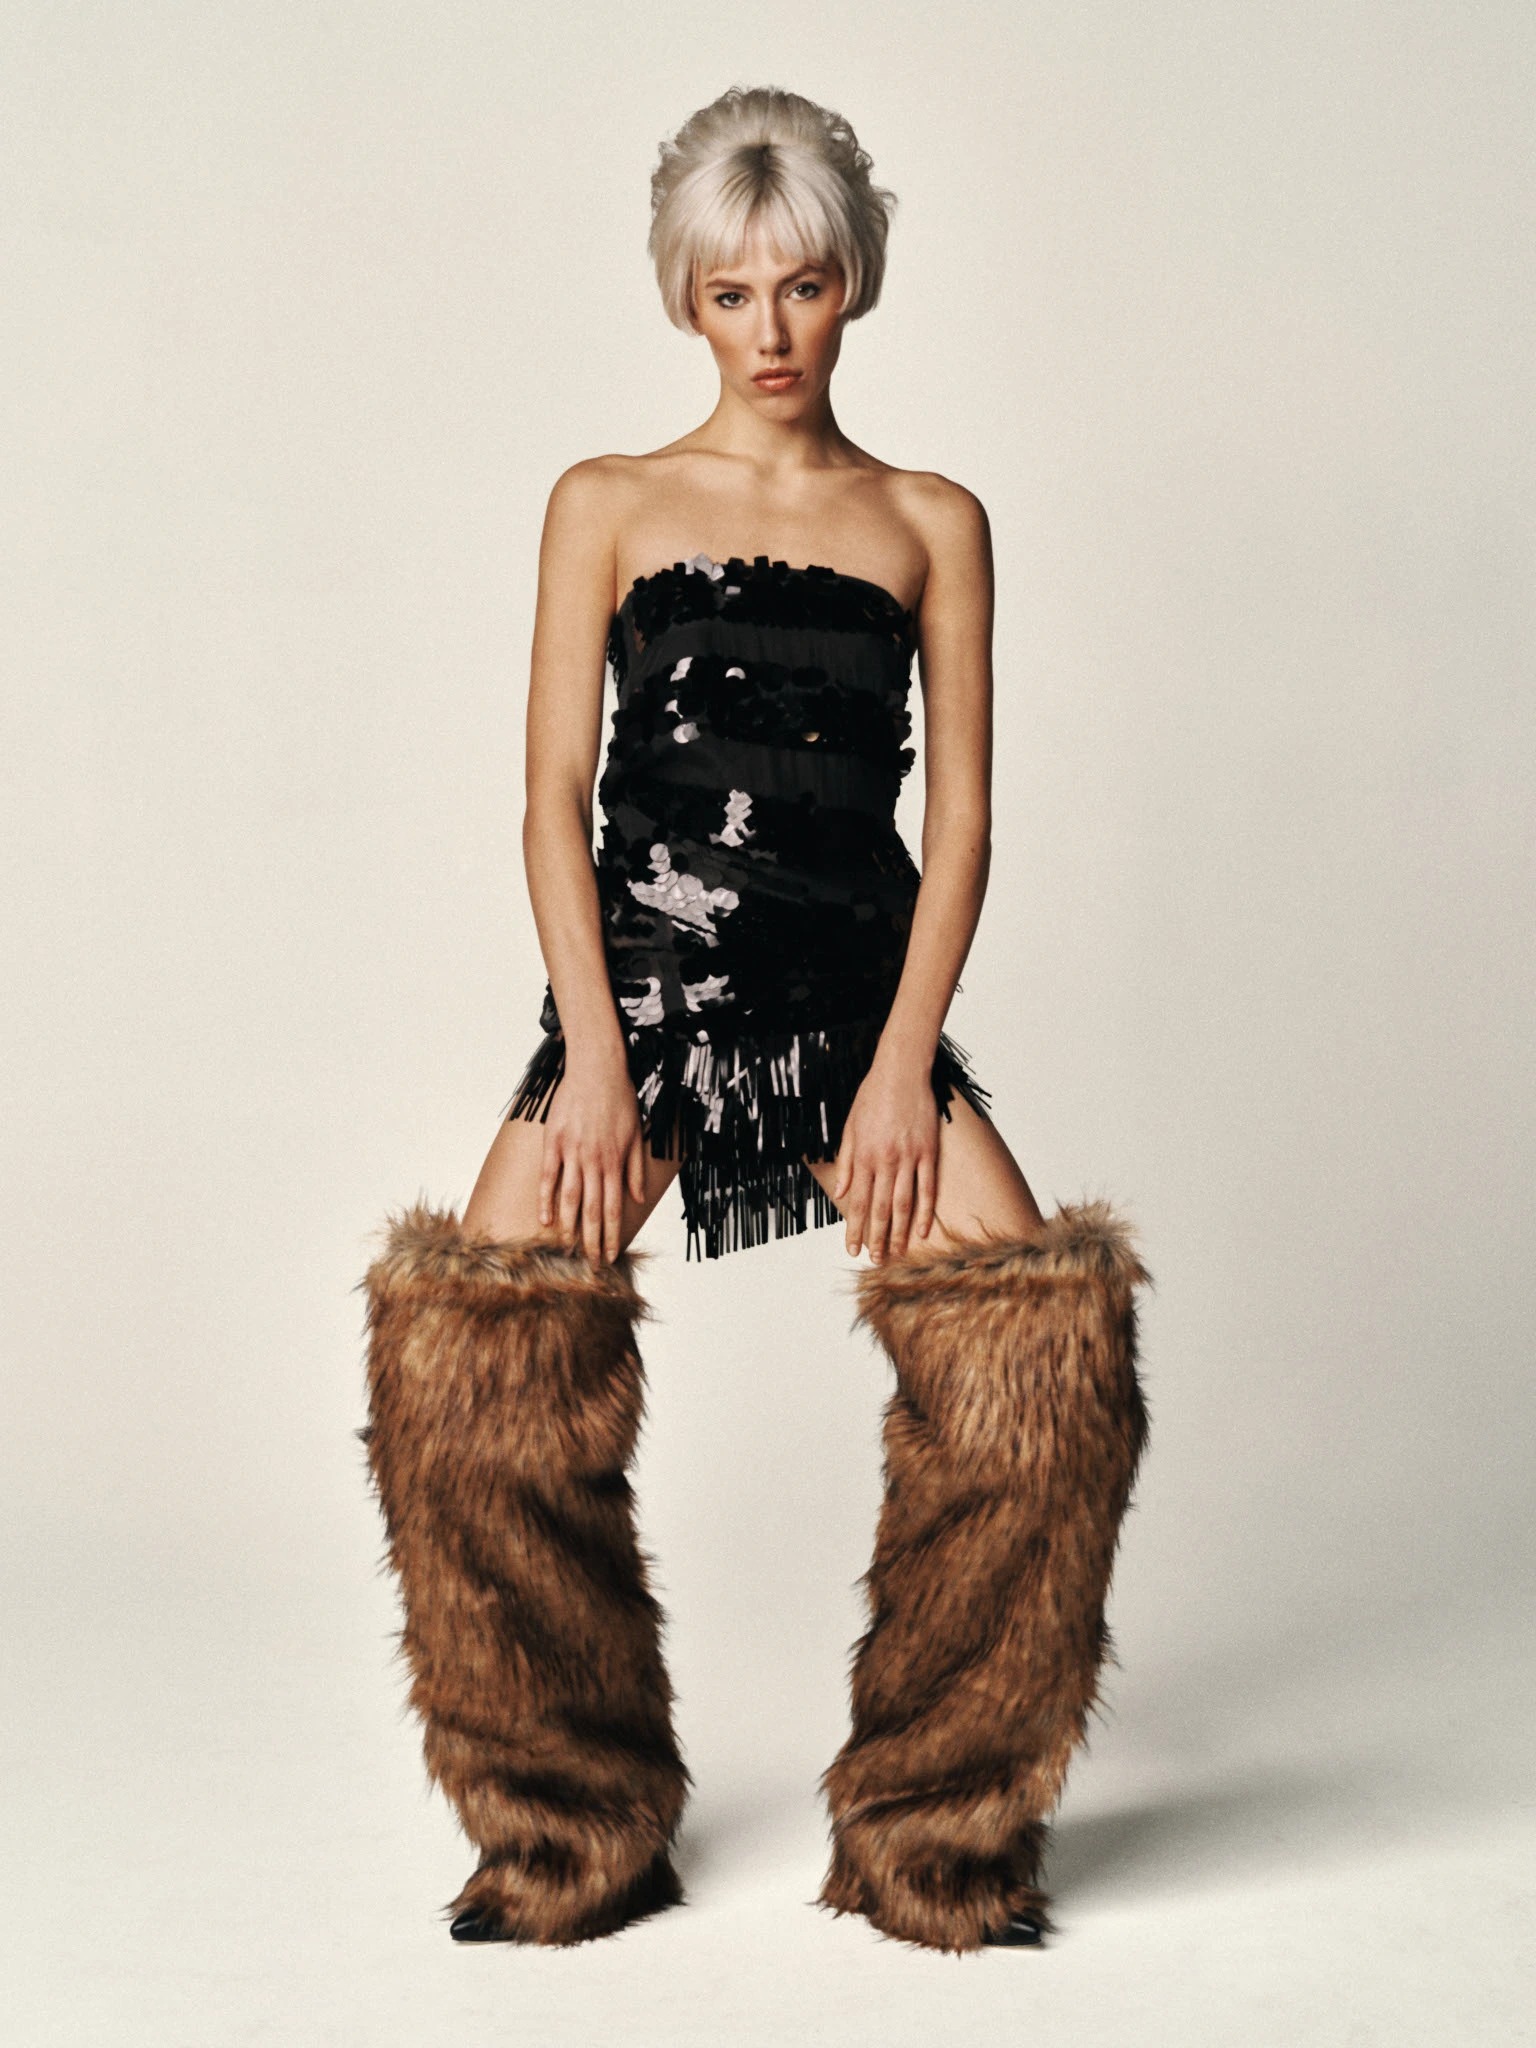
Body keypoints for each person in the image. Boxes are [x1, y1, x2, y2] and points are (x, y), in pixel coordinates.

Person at [358, 84, 1150, 1957]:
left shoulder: (931, 519)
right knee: (468, 1396)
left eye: (803, 287)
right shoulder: (606, 503)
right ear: (684, 301)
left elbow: (961, 824)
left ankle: (934, 1832)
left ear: (853, 282)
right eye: (731, 295)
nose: (772, 332)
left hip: (853, 1003)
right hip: (642, 990)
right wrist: (597, 1059)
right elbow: (552, 801)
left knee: (1046, 1392)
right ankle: (568, 1828)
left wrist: (901, 1067)